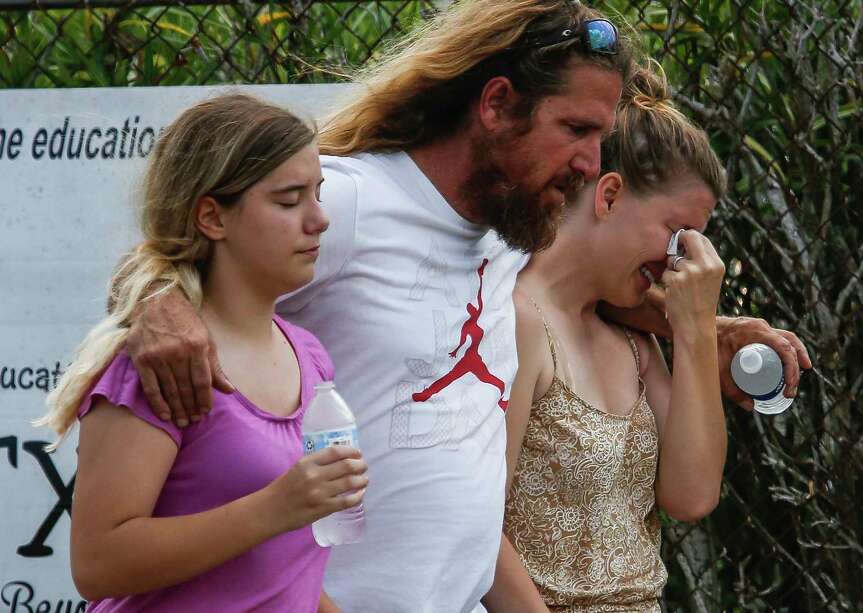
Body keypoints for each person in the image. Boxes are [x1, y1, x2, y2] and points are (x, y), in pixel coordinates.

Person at [122, 2, 810, 611]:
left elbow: (575, 288)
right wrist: (161, 304)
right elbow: (188, 244)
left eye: (599, 137)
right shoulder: (356, 202)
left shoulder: (508, 238)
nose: (589, 161)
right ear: (498, 104)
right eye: (575, 129)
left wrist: (702, 329)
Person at [36, 94, 367, 612]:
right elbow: (97, 565)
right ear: (213, 217)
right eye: (289, 200)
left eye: (318, 194)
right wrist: (275, 507)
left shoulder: (309, 355)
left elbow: (283, 570)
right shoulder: (160, 361)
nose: (319, 219)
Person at [485, 65, 731, 612]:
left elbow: (691, 496)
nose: (677, 262)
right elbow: (476, 525)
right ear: (611, 195)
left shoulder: (633, 346)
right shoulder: (519, 321)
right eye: (676, 235)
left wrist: (693, 332)